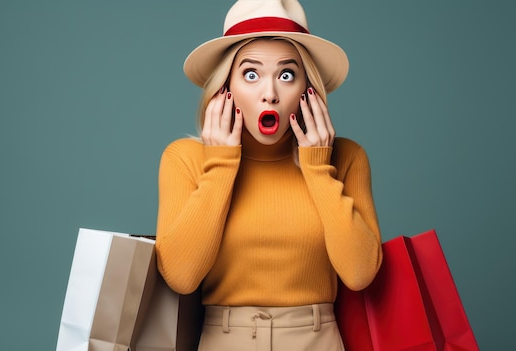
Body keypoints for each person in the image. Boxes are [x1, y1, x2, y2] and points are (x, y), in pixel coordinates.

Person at [155, 1, 382, 350]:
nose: (270, 93)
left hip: (318, 340)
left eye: (287, 75)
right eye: (251, 74)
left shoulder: (347, 157)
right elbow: (181, 278)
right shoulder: (185, 159)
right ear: (224, 88)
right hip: (224, 341)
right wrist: (220, 162)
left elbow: (359, 274)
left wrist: (318, 166)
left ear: (309, 89)